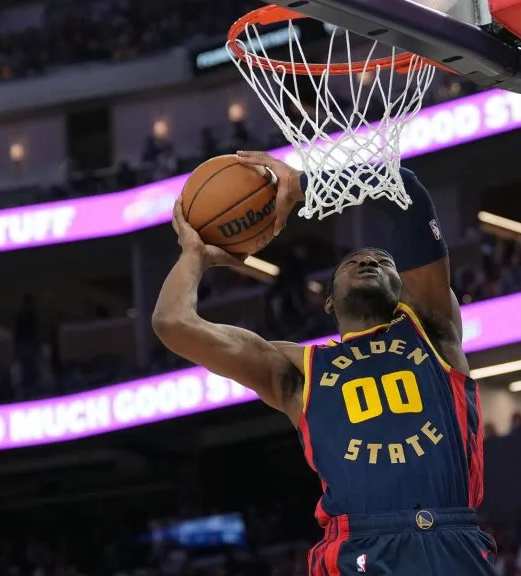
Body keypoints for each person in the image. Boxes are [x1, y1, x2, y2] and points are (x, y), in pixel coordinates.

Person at [153, 151, 495, 576]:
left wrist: (301, 186)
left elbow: (404, 189)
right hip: (359, 550)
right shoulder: (298, 369)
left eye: (384, 261)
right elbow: (173, 323)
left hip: (452, 539)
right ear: (329, 300)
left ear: (404, 288)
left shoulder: (432, 328)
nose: (368, 260)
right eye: (354, 261)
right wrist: (194, 256)